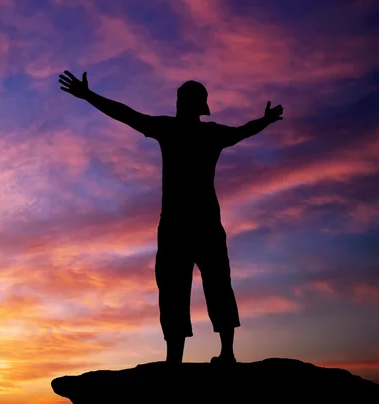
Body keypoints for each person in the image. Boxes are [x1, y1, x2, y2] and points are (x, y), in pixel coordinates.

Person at [59, 70, 283, 364]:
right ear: (201, 106)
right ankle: (214, 354)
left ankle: (192, 357)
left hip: (183, 225)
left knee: (189, 286)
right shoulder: (205, 133)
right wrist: (264, 122)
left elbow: (127, 114)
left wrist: (88, 95)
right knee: (200, 285)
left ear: (183, 104)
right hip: (198, 224)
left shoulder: (177, 130)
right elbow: (243, 130)